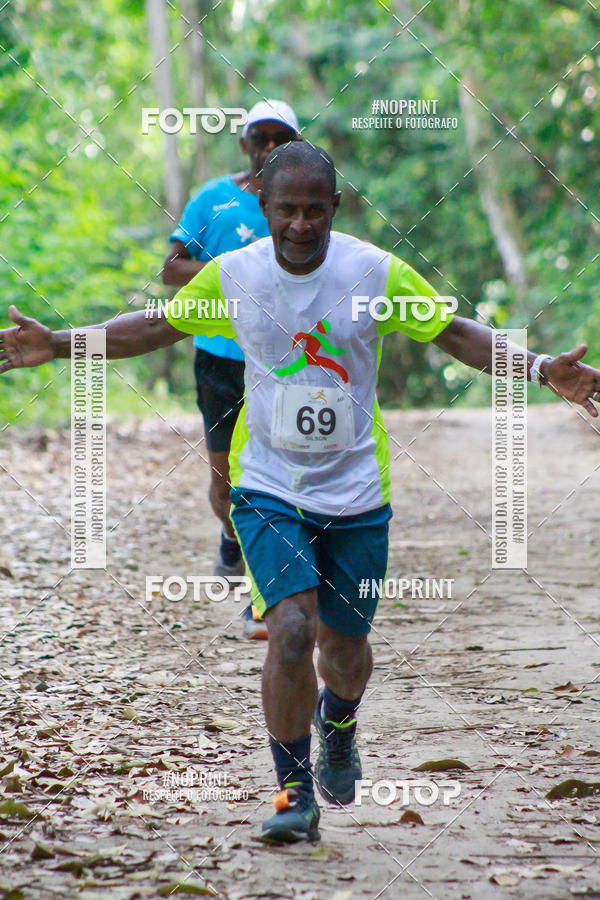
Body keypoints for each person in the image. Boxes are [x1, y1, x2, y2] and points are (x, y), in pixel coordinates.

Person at [3, 143, 600, 845]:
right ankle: (292, 795)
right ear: (264, 209)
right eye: (286, 209)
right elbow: (156, 326)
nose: (301, 224)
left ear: (335, 209)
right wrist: (62, 344)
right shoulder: (235, 275)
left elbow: (454, 333)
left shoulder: (373, 270)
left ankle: (338, 723)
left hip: (355, 492)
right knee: (289, 630)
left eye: (315, 210)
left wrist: (536, 368)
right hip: (268, 485)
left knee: (345, 649)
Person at [162, 99, 301, 641]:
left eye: (280, 138)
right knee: (225, 488)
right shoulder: (213, 200)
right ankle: (230, 536)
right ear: (244, 143)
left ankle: (264, 599)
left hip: (283, 363)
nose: (269, 147)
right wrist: (231, 273)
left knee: (280, 483)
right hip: (220, 360)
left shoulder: (298, 203)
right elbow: (172, 268)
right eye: (259, 137)